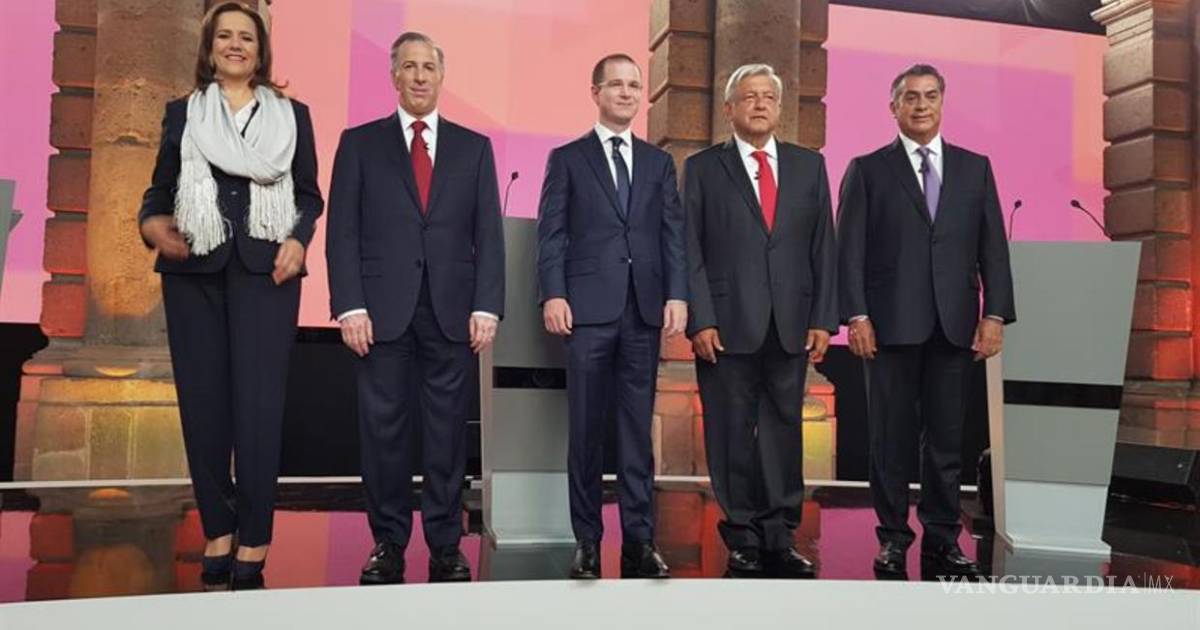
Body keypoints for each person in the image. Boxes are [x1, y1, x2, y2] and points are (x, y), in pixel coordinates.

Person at [137, 1, 323, 590]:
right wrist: (151, 224)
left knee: (260, 408)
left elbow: (309, 194)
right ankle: (218, 527)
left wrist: (297, 238)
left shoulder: (293, 116)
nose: (236, 44)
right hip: (194, 269)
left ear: (260, 50)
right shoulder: (182, 113)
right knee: (204, 406)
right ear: (211, 48)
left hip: (266, 273)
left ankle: (256, 533)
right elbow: (160, 190)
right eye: (225, 36)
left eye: (247, 36)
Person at [326, 31, 505, 584]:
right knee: (384, 431)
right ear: (394, 76)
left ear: (441, 76)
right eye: (410, 66)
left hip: (452, 312)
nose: (420, 76)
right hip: (379, 314)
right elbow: (342, 231)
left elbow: (489, 234)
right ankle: (388, 542)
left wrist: (488, 305)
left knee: (447, 433)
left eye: (429, 66)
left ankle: (446, 543)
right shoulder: (360, 143)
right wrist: (349, 305)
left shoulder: (475, 147)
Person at [836, 64, 1015, 578]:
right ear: (893, 107)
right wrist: (856, 315)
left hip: (954, 325)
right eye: (910, 97)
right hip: (888, 327)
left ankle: (942, 539)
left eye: (930, 96)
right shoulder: (867, 169)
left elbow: (993, 249)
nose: (920, 105)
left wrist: (995, 313)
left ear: (942, 102)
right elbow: (849, 252)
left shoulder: (975, 168)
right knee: (889, 441)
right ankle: (893, 538)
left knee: (945, 442)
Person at [536, 53, 687, 580]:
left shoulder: (658, 163)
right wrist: (553, 294)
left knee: (635, 432)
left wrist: (677, 294)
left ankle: (640, 542)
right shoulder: (567, 158)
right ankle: (587, 541)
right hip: (586, 313)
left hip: (643, 312)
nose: (626, 92)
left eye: (634, 85)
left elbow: (671, 233)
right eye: (616, 84)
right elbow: (552, 233)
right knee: (586, 431)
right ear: (595, 92)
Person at [684, 63, 837, 579]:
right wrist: (700, 319)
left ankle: (779, 535)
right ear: (729, 108)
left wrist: (824, 319)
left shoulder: (809, 166)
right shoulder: (703, 168)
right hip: (725, 326)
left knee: (784, 433)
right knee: (729, 434)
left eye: (768, 96)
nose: (759, 104)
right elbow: (690, 249)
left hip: (791, 324)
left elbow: (824, 246)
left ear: (779, 107)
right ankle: (743, 536)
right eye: (748, 96)